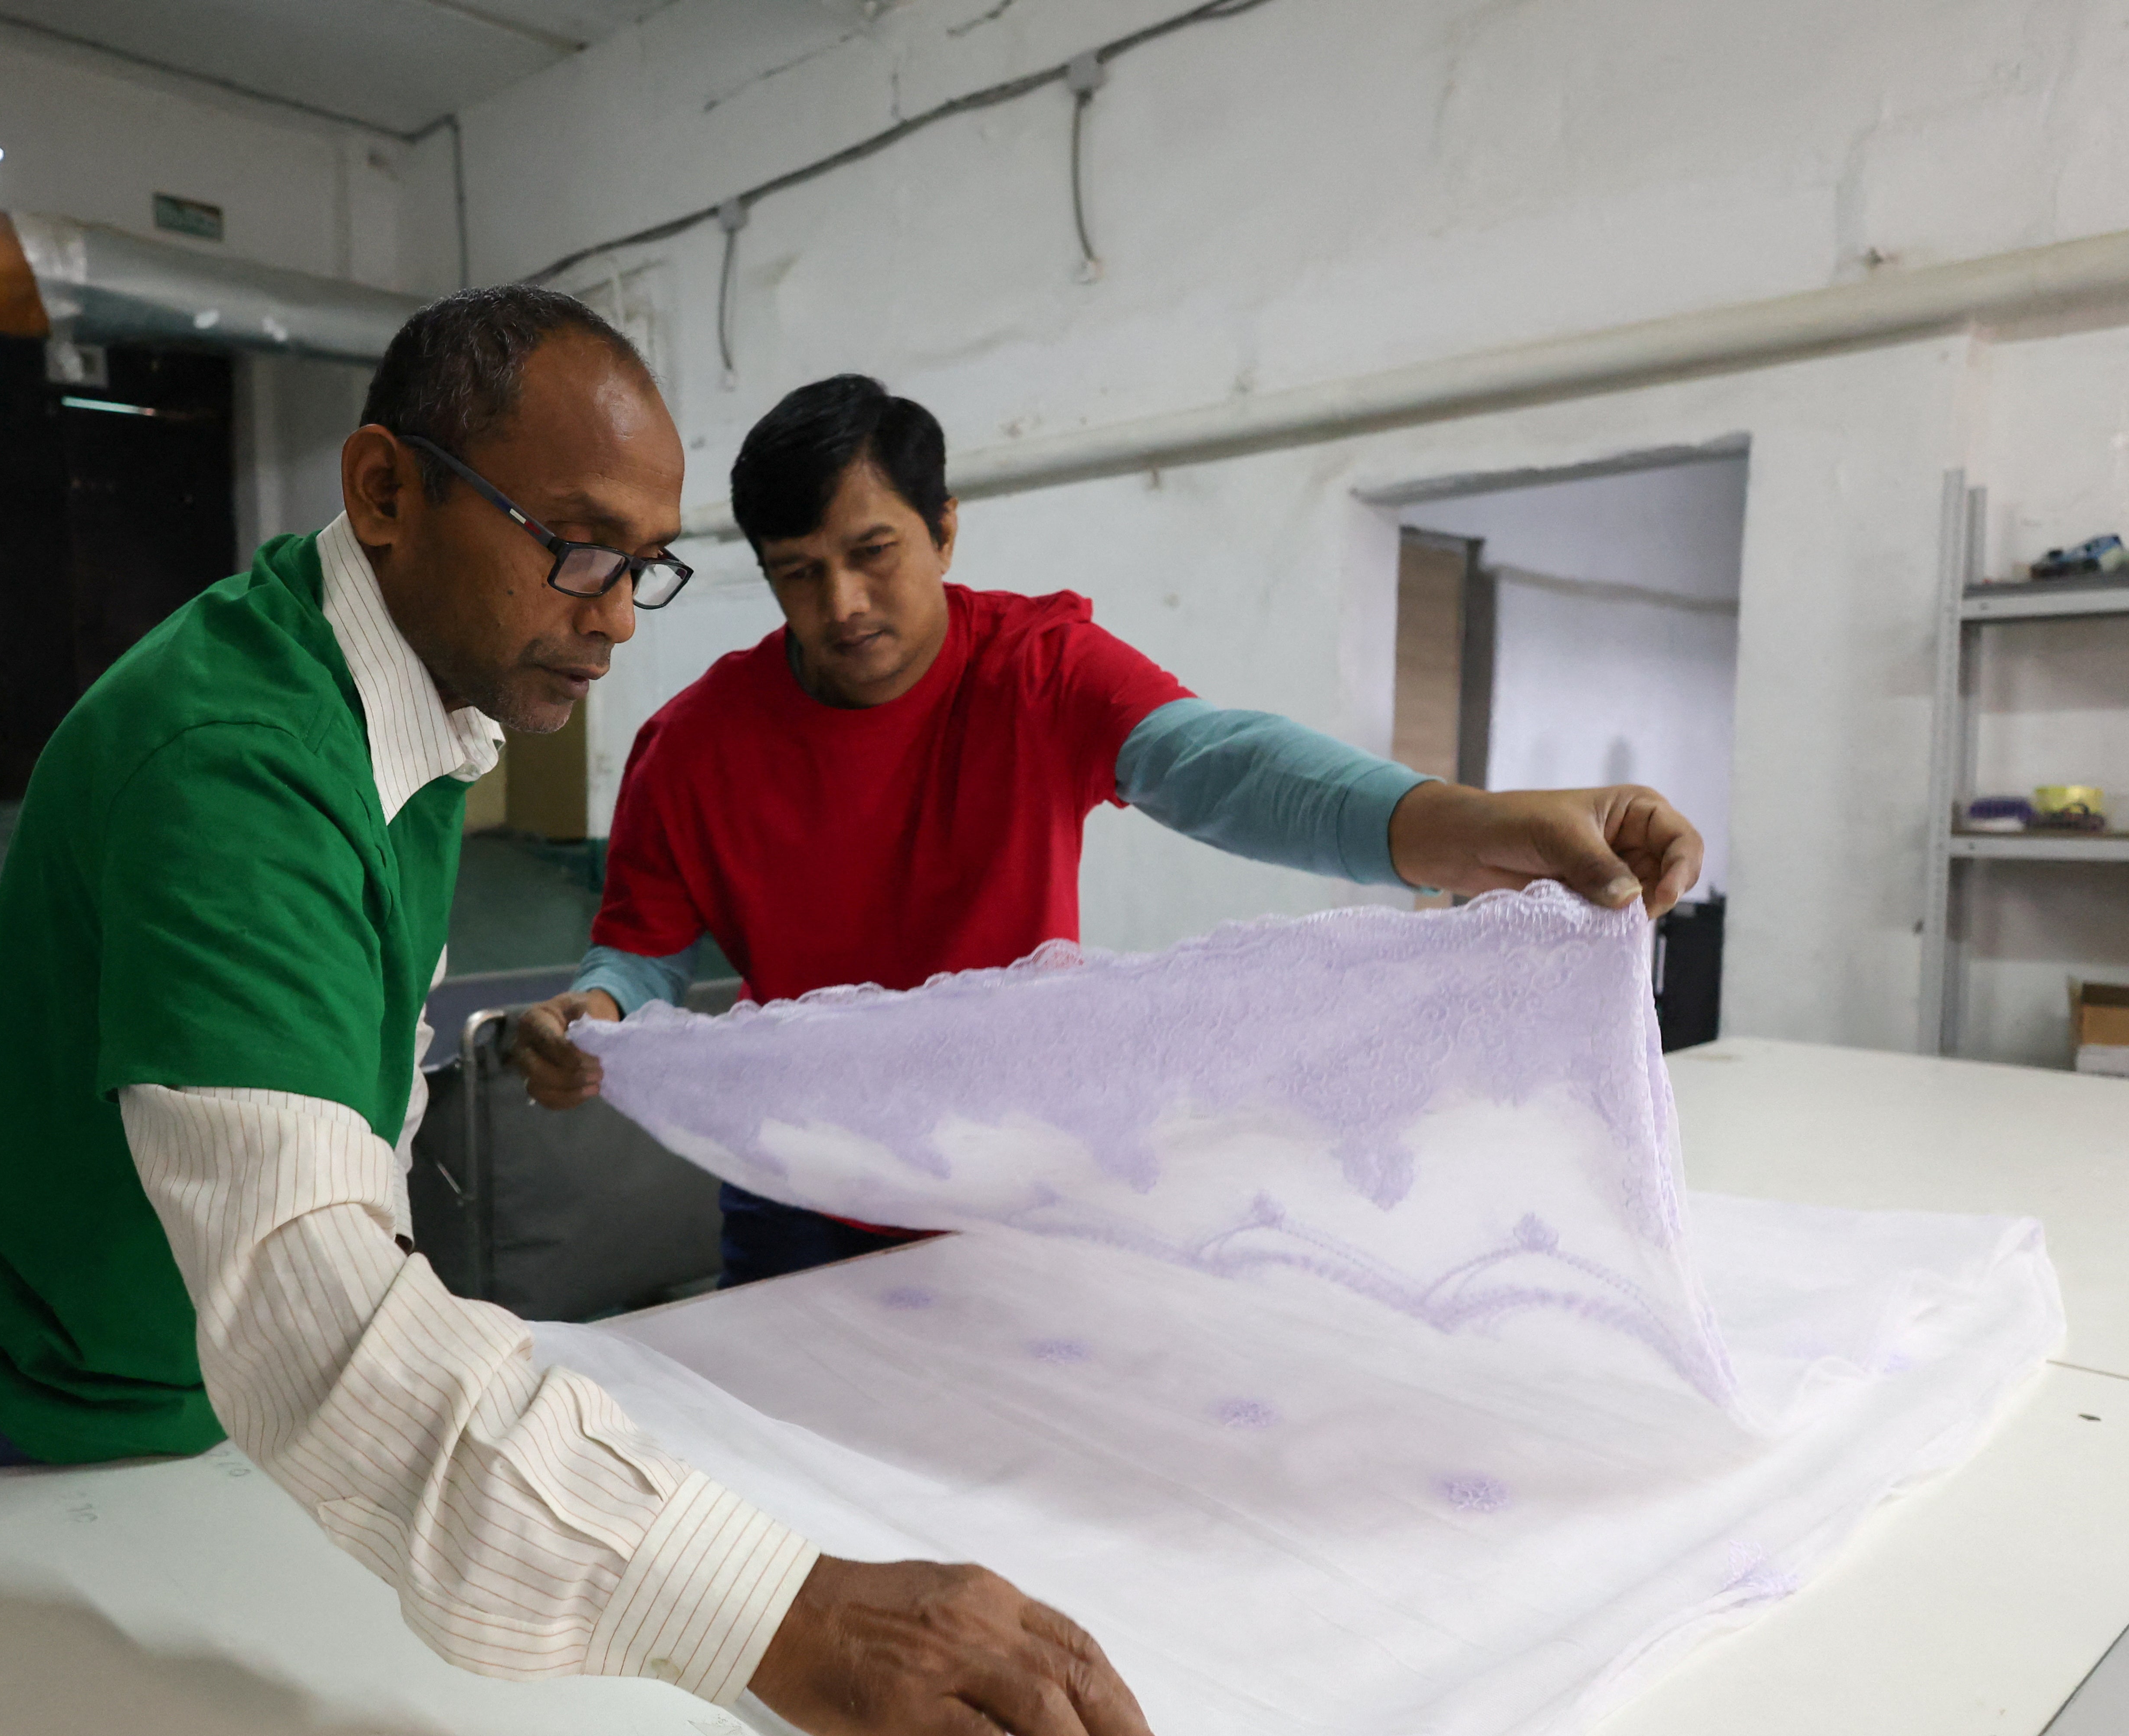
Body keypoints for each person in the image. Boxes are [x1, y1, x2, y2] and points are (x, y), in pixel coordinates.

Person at [0, 291, 1185, 1736]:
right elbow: (310, 1315)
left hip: (208, 1377)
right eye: (575, 546)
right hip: (56, 1386)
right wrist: (783, 1613)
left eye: (643, 566)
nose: (618, 614)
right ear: (385, 492)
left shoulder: (427, 716)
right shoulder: (234, 769)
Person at [513, 374, 1705, 1284]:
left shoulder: (1034, 672)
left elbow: (1229, 770)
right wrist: (600, 1013)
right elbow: (645, 948)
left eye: (871, 554)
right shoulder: (698, 744)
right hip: (796, 1176)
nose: (843, 606)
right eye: (796, 575)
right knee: (801, 1492)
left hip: (1027, 1172)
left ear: (943, 529)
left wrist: (1493, 826)